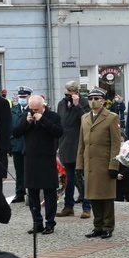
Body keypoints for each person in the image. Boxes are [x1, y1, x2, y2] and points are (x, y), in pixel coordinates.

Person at [14, 95, 64, 235]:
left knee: (49, 192)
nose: (33, 111)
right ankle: (37, 222)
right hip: (30, 159)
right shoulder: (26, 116)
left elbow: (58, 132)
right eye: (31, 109)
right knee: (33, 193)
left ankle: (50, 223)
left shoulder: (52, 116)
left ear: (43, 106)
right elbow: (16, 133)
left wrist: (42, 120)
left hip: (47, 158)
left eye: (36, 109)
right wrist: (27, 123)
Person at [77, 88, 121, 240]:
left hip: (104, 163)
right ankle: (98, 226)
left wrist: (114, 165)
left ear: (103, 100)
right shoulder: (84, 118)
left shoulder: (111, 117)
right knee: (93, 196)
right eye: (90, 98)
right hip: (90, 164)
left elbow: (116, 144)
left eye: (96, 98)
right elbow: (81, 143)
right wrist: (79, 165)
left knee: (106, 197)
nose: (93, 101)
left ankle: (108, 226)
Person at [56, 80, 92, 218]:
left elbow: (86, 121)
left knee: (83, 178)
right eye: (66, 94)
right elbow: (60, 124)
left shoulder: (84, 103)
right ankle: (68, 206)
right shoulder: (61, 104)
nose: (67, 96)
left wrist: (77, 106)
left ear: (76, 93)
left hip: (79, 145)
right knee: (68, 179)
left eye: (70, 94)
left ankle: (86, 206)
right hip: (65, 145)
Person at [8, 87, 32, 203]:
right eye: (20, 97)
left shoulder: (33, 109)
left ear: (29, 97)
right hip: (17, 145)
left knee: (30, 170)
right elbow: (10, 128)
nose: (22, 99)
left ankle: (32, 194)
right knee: (19, 171)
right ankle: (20, 193)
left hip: (30, 146)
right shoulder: (13, 110)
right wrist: (10, 144)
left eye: (24, 97)